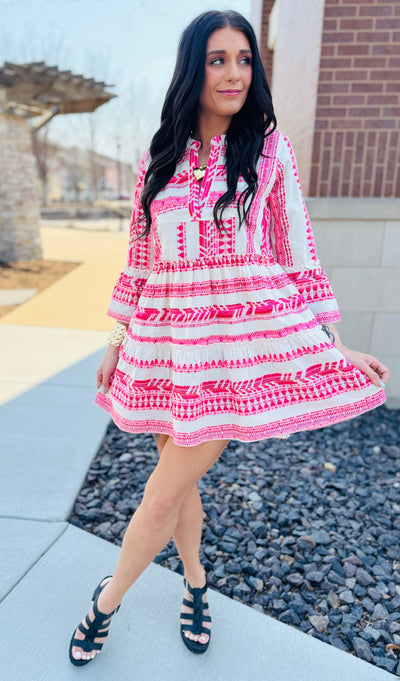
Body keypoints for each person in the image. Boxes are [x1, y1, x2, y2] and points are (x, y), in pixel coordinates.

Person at [69, 9, 390, 666]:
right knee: (176, 483)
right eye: (219, 59)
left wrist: (332, 343)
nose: (235, 73)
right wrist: (114, 340)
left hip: (233, 354)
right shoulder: (159, 154)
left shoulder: (269, 152)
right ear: (195, 68)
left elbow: (296, 253)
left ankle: (106, 600)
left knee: (160, 492)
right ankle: (195, 584)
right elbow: (140, 253)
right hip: (163, 345)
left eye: (245, 59)